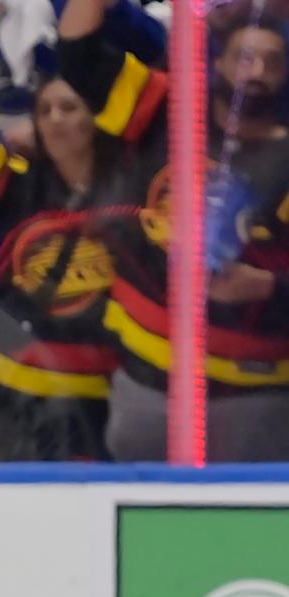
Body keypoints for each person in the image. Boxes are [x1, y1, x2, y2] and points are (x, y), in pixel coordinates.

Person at [55, 0, 289, 461]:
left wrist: (266, 286)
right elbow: (77, 54)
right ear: (217, 62)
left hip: (255, 393)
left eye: (272, 62)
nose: (256, 72)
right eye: (244, 58)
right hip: (147, 381)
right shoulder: (166, 106)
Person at [0, 3, 120, 461]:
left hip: (113, 394)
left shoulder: (129, 183)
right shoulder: (18, 186)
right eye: (45, 109)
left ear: (96, 116)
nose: (55, 118)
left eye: (69, 107)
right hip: (22, 393)